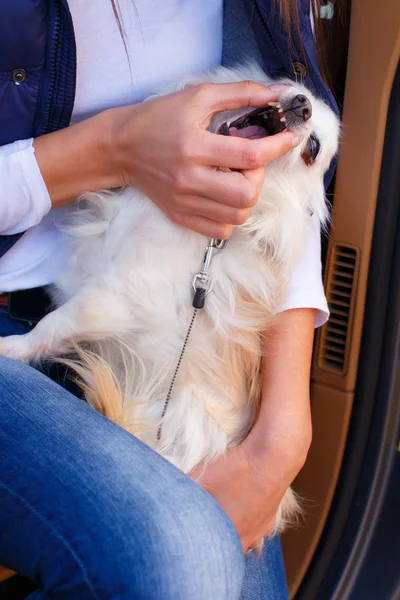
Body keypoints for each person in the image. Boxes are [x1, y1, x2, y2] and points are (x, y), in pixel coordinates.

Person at [0, 1, 339, 598]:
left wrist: (282, 429)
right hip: (20, 330)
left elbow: (289, 183)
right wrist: (115, 149)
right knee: (182, 557)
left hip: (192, 355)